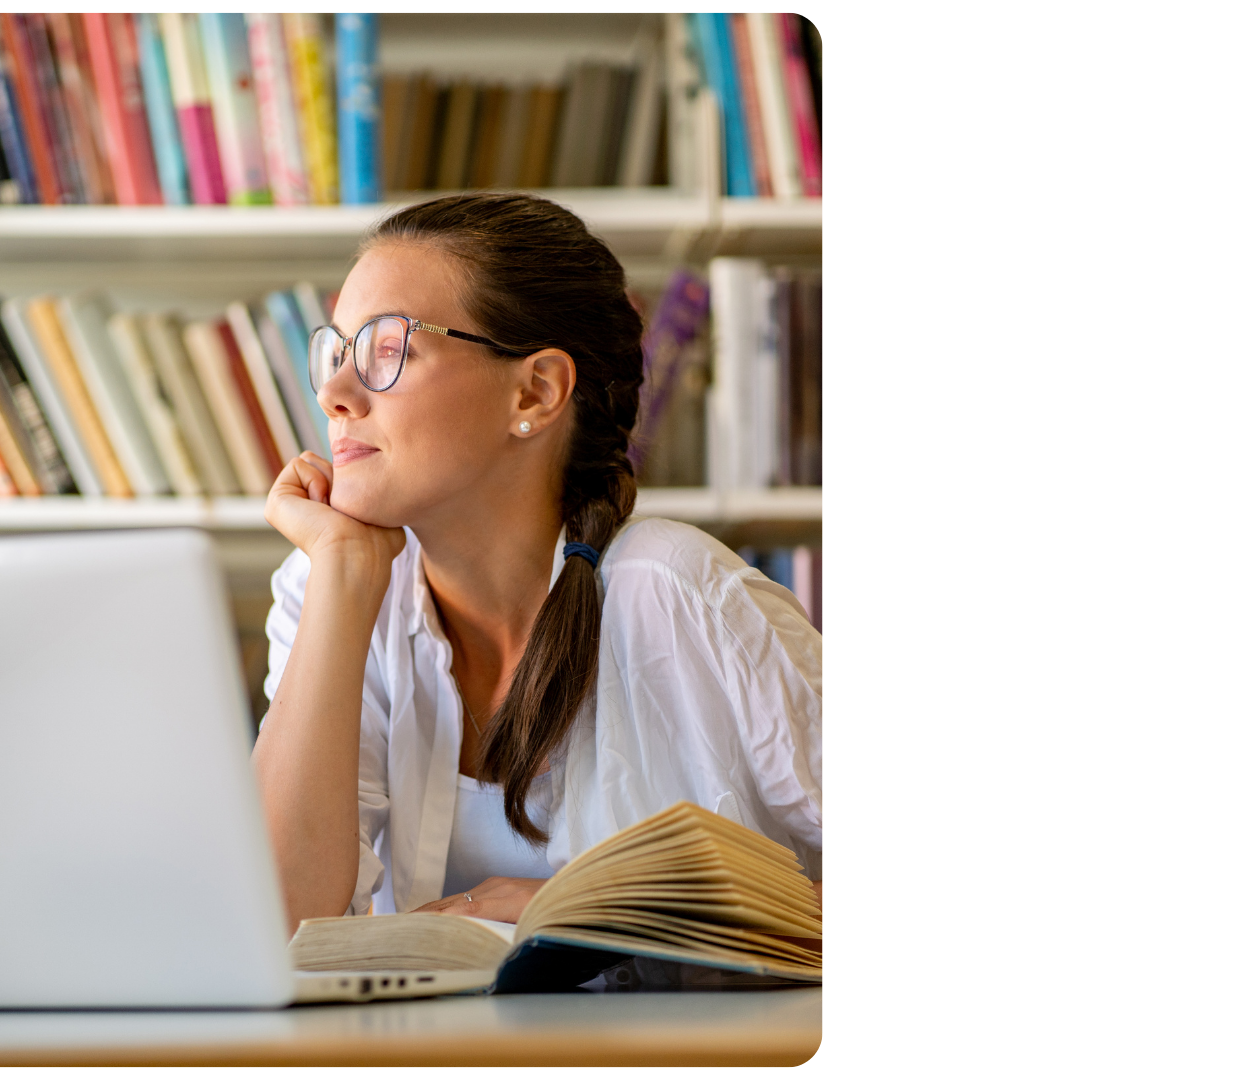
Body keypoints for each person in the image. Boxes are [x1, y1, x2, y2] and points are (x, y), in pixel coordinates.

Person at [253, 193, 822, 936]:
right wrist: (337, 575)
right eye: (336, 353)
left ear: (536, 390)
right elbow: (276, 921)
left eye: (386, 350)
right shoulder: (334, 589)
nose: (333, 394)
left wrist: (603, 913)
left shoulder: (681, 593)